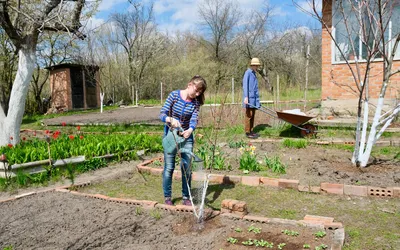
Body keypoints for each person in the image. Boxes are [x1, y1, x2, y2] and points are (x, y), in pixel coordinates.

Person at [159, 75, 207, 206]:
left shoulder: (196, 102)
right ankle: (167, 197)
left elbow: (194, 119)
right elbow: (162, 114)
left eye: (199, 92)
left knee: (186, 168)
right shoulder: (174, 96)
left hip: (187, 137)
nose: (197, 94)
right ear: (189, 84)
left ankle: (186, 197)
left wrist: (190, 130)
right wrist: (170, 120)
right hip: (172, 136)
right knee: (169, 168)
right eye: (196, 90)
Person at [242, 57, 261, 139]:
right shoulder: (248, 73)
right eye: (255, 65)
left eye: (257, 66)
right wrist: (246, 97)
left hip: (254, 99)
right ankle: (247, 132)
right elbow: (245, 85)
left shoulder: (254, 73)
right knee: (248, 115)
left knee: (252, 115)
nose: (257, 67)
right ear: (252, 65)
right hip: (249, 98)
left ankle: (251, 131)